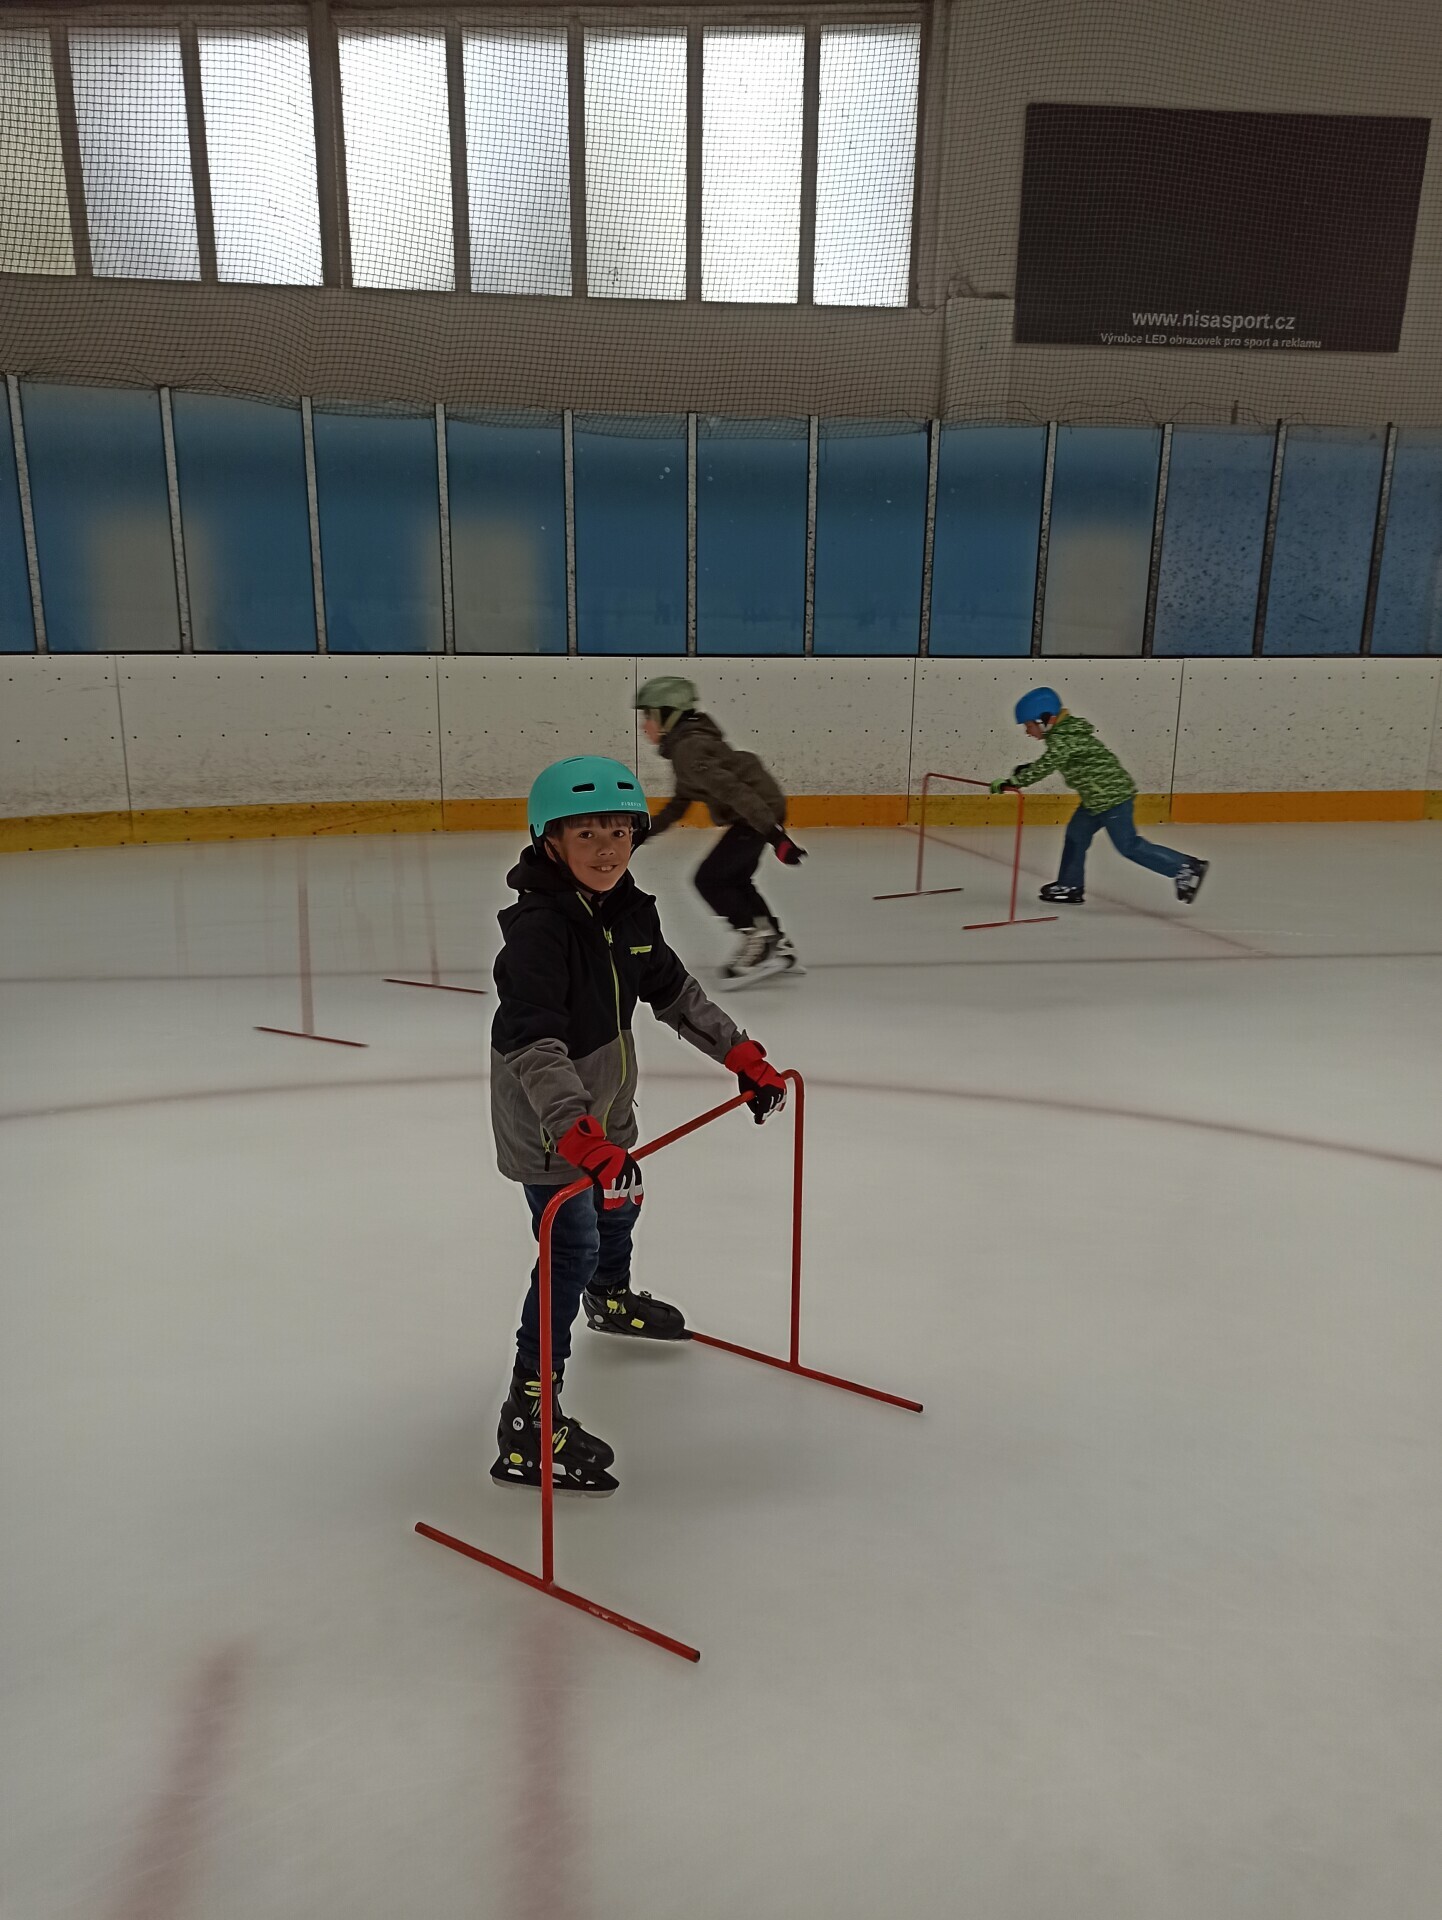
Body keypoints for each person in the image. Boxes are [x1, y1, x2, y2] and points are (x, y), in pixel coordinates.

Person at [489, 754, 792, 1496]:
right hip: (552, 1123)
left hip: (604, 1108)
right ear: (550, 841)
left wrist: (741, 1055)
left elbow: (675, 993)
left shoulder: (628, 910)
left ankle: (611, 1296)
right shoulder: (538, 933)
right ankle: (527, 1417)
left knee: (621, 1201)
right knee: (569, 1247)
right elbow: (534, 1046)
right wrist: (578, 1136)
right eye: (586, 834)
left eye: (619, 832)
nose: (606, 850)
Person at [634, 675, 806, 985]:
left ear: (666, 716)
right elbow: (679, 803)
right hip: (757, 810)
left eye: (648, 716)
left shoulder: (689, 749)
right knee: (735, 879)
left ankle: (760, 942)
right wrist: (642, 832)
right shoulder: (687, 746)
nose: (643, 725)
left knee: (709, 879)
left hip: (755, 813)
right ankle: (775, 942)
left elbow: (735, 792)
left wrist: (775, 836)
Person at [992, 687, 1209, 905]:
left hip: (1112, 799)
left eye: (1029, 725)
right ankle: (1070, 885)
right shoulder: (1064, 735)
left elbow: (1048, 764)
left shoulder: (1063, 738)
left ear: (1045, 719)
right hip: (1095, 799)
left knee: (1128, 845)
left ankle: (1185, 866)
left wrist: (1013, 782)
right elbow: (1054, 760)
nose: (1027, 732)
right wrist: (1028, 770)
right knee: (1076, 836)